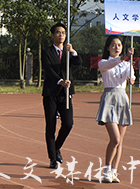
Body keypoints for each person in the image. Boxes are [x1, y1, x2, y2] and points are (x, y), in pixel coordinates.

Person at [41, 23, 82, 169]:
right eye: (58, 32)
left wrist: (72, 51)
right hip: (51, 93)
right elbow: (48, 69)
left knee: (68, 124)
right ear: (52, 35)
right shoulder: (46, 52)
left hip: (66, 94)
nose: (61, 35)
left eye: (63, 33)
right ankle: (52, 158)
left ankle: (56, 147)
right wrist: (60, 81)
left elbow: (78, 62)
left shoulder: (68, 52)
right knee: (51, 126)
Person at [96, 35, 135, 183]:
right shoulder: (103, 63)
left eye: (119, 45)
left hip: (122, 99)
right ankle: (106, 169)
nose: (116, 47)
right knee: (115, 138)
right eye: (113, 45)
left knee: (120, 141)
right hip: (109, 98)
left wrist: (132, 79)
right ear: (108, 47)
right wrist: (124, 57)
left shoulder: (127, 64)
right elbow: (111, 64)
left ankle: (114, 171)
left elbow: (131, 75)